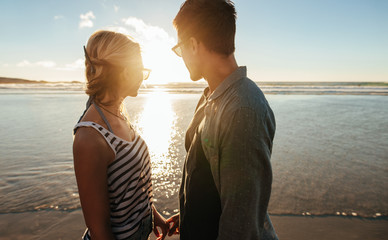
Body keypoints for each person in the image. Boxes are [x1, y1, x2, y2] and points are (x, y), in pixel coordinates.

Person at [166, 0, 278, 239]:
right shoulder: (211, 95)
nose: (180, 56)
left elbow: (241, 225)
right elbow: (207, 178)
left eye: (180, 48)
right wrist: (189, 216)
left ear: (194, 44)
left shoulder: (242, 111)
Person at [73, 30, 169, 240]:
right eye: (141, 70)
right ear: (124, 71)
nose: (143, 78)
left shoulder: (117, 112)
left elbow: (131, 184)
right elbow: (99, 230)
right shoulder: (89, 137)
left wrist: (153, 217)